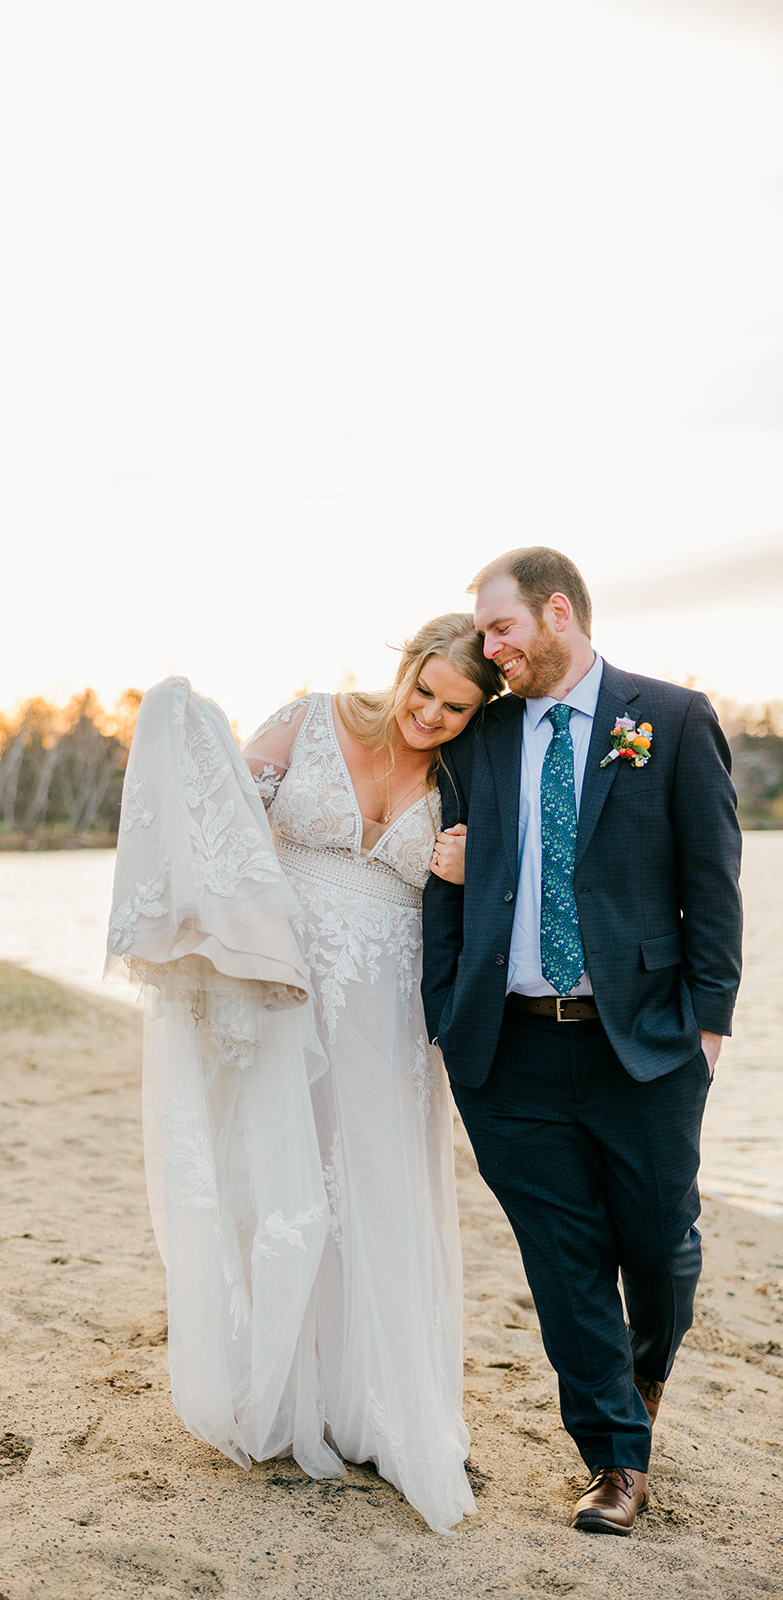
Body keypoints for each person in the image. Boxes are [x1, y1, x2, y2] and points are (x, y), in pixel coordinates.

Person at [107, 615, 503, 1534]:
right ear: (404, 670)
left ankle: (377, 1403)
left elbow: (520, 880)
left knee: (379, 1185)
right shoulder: (308, 718)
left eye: (456, 706)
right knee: (281, 1181)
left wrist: (470, 864)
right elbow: (223, 831)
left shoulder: (466, 777)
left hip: (390, 1014)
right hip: (284, 992)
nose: (432, 715)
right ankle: (290, 1395)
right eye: (425, 691)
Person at [421, 547, 742, 1535]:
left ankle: (640, 1373)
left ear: (554, 612)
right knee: (562, 1261)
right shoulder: (480, 739)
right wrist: (443, 1006)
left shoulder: (668, 719)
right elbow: (445, 882)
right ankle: (612, 1459)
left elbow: (712, 877)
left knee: (658, 1248)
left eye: (499, 627)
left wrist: (710, 1017)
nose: (489, 648)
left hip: (640, 1041)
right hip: (506, 1050)